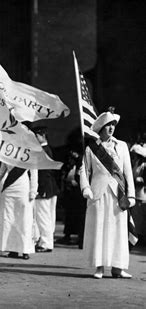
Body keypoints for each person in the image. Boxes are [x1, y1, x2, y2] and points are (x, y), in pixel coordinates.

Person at [79, 108, 135, 279]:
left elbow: (128, 172)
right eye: (108, 125)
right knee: (99, 230)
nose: (111, 128)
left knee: (117, 230)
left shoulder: (123, 146)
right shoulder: (91, 148)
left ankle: (118, 268)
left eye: (113, 125)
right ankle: (99, 267)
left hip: (119, 194)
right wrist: (85, 188)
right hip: (98, 193)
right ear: (101, 128)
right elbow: (84, 170)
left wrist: (131, 195)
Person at [0, 163, 38, 259]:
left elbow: (34, 174)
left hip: (23, 189)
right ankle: (12, 249)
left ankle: (25, 250)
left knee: (24, 220)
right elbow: (1, 172)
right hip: (8, 189)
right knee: (9, 219)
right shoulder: (8, 151)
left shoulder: (30, 152)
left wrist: (33, 191)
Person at [32, 126, 60, 253]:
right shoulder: (47, 149)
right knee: (48, 216)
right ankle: (47, 241)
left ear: (42, 135)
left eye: (36, 135)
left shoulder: (42, 150)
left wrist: (40, 188)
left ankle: (45, 243)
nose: (34, 138)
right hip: (50, 187)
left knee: (43, 217)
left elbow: (44, 172)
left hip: (44, 187)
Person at [56, 150, 86, 248]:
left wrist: (76, 183)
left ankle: (81, 239)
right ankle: (67, 236)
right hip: (71, 195)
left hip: (79, 196)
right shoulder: (70, 166)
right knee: (69, 217)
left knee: (81, 218)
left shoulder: (81, 165)